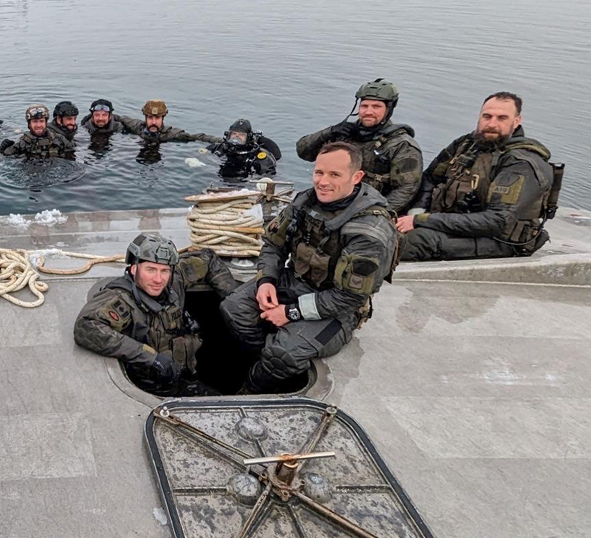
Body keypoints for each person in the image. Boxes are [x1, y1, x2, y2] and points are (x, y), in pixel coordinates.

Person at [220, 142, 398, 393]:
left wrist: (290, 312)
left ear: (356, 177)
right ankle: (263, 363)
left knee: (282, 354)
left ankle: (250, 390)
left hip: (338, 309)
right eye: (319, 173)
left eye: (334, 175)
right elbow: (273, 244)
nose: (323, 182)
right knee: (234, 309)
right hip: (295, 281)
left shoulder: (369, 231)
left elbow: (349, 297)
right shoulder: (305, 202)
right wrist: (266, 280)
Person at [396, 92, 557, 261]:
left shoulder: (520, 164)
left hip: (500, 239)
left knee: (413, 242)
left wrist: (421, 220)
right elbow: (430, 178)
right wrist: (417, 211)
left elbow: (497, 220)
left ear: (516, 121)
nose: (492, 124)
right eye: (487, 116)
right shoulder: (466, 144)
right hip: (455, 224)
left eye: (502, 118)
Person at [74, 233, 237, 397]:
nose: (158, 279)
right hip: (147, 390)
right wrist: (150, 357)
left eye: (164, 271)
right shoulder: (121, 299)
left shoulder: (174, 281)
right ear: (134, 268)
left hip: (184, 379)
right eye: (150, 270)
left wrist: (233, 303)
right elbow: (86, 326)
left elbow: (208, 259)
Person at [295, 78, 422, 214]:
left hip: (371, 208)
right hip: (334, 200)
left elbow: (407, 188)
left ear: (388, 109)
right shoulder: (344, 132)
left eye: (376, 107)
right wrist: (329, 132)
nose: (368, 111)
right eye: (364, 106)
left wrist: (377, 213)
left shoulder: (402, 145)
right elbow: (303, 152)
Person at [120, 100, 221, 145]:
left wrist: (221, 141)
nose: (153, 122)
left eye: (157, 118)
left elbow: (198, 137)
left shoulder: (171, 134)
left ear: (163, 118)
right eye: (150, 118)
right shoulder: (138, 127)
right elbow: (121, 118)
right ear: (145, 118)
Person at [207, 118, 282, 179]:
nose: (236, 137)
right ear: (228, 135)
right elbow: (202, 155)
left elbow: (269, 175)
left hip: (246, 185)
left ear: (248, 137)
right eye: (234, 134)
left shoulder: (258, 155)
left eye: (241, 135)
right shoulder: (219, 148)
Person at [0, 105, 76, 158]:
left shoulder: (60, 139)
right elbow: (6, 157)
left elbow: (72, 154)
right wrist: (3, 150)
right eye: (35, 121)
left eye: (41, 121)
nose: (39, 125)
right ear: (29, 124)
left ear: (46, 122)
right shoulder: (22, 143)